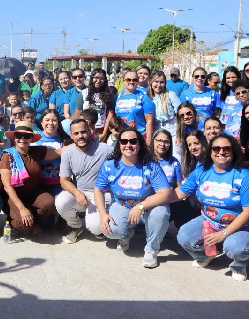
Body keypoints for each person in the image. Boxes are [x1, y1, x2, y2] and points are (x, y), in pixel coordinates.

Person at [175, 134, 249, 281]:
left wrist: (224, 234)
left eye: (226, 148)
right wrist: (149, 201)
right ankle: (207, 254)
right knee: (184, 236)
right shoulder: (201, 172)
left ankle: (239, 265)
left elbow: (247, 212)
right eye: (216, 148)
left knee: (236, 247)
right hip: (209, 222)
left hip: (240, 226)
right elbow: (177, 193)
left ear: (233, 151)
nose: (221, 152)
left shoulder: (244, 176)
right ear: (210, 151)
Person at [94, 127, 172, 268]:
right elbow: (98, 189)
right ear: (119, 144)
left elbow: (166, 193)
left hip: (148, 207)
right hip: (122, 205)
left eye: (133, 141)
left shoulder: (151, 166)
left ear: (140, 144)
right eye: (124, 141)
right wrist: (102, 214)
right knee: (110, 231)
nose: (128, 145)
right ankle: (126, 235)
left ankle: (151, 250)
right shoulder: (110, 165)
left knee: (161, 213)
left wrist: (141, 206)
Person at [0, 121, 63, 235]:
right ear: (14, 138)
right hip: (14, 195)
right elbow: (7, 187)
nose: (22, 139)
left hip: (32, 193)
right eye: (19, 136)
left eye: (27, 136)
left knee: (50, 205)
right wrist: (21, 208)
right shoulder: (7, 156)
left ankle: (33, 219)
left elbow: (59, 152)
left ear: (31, 138)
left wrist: (80, 142)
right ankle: (14, 218)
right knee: (22, 224)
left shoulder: (36, 151)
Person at [56, 119, 113, 243]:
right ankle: (76, 226)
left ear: (90, 131)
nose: (80, 136)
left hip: (103, 194)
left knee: (95, 229)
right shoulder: (68, 154)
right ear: (71, 136)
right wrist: (77, 193)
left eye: (83, 132)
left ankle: (97, 225)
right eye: (76, 133)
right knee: (60, 201)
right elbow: (64, 180)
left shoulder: (106, 150)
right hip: (82, 194)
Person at [71, 69, 114, 142]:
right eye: (96, 78)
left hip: (101, 129)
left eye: (102, 78)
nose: (98, 81)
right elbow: (77, 113)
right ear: (92, 78)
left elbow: (110, 114)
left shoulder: (109, 94)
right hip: (85, 130)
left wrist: (104, 133)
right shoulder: (83, 93)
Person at [115, 70, 155, 140]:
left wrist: (148, 140)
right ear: (123, 81)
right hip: (121, 137)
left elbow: (149, 121)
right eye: (128, 80)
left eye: (135, 80)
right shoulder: (117, 98)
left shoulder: (144, 98)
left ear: (138, 82)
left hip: (139, 137)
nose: (131, 82)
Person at [147, 70, 180, 138]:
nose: (159, 85)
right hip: (155, 131)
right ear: (151, 82)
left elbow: (180, 115)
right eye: (156, 82)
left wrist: (179, 135)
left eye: (162, 82)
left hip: (172, 132)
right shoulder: (147, 97)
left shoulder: (171, 95)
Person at [219, 67, 244, 140]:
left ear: (238, 78)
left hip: (239, 129)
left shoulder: (243, 92)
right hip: (224, 129)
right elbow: (220, 112)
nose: (231, 80)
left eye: (233, 77)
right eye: (228, 78)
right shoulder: (222, 93)